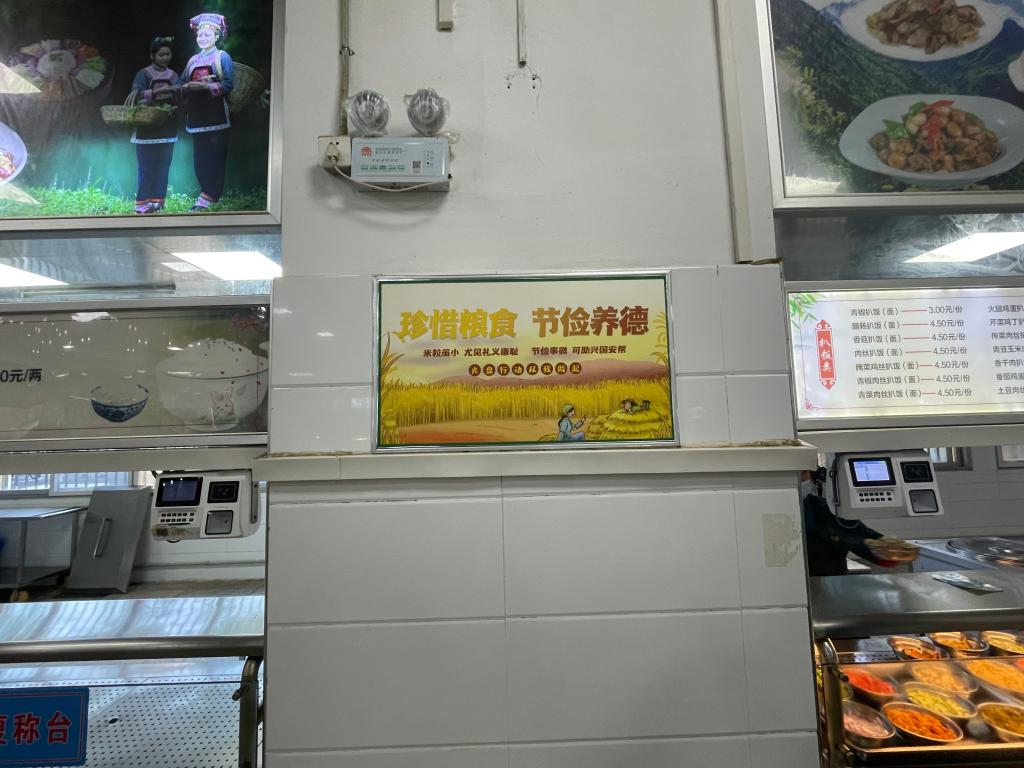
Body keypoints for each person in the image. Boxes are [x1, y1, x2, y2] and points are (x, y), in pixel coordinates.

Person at [800, 468, 915, 577]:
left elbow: (865, 541)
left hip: (827, 586)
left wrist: (894, 551)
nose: (798, 479)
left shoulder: (829, 512)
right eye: (792, 474)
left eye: (803, 472)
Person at [182, 13, 233, 212]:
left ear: (216, 36)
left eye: (207, 35)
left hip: (216, 115)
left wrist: (206, 86)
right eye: (200, 35)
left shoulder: (222, 57)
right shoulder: (192, 60)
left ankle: (211, 195)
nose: (202, 38)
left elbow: (228, 84)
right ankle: (206, 192)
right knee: (199, 159)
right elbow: (182, 81)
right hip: (196, 116)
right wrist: (185, 87)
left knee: (215, 156)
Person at [126, 36, 180, 214]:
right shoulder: (143, 74)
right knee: (146, 166)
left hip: (167, 127)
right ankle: (142, 202)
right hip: (146, 129)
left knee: (163, 165)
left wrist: (178, 92)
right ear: (152, 56)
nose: (165, 58)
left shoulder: (174, 76)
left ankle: (158, 202)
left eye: (168, 54)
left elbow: (180, 96)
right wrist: (159, 92)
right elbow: (136, 94)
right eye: (161, 55)